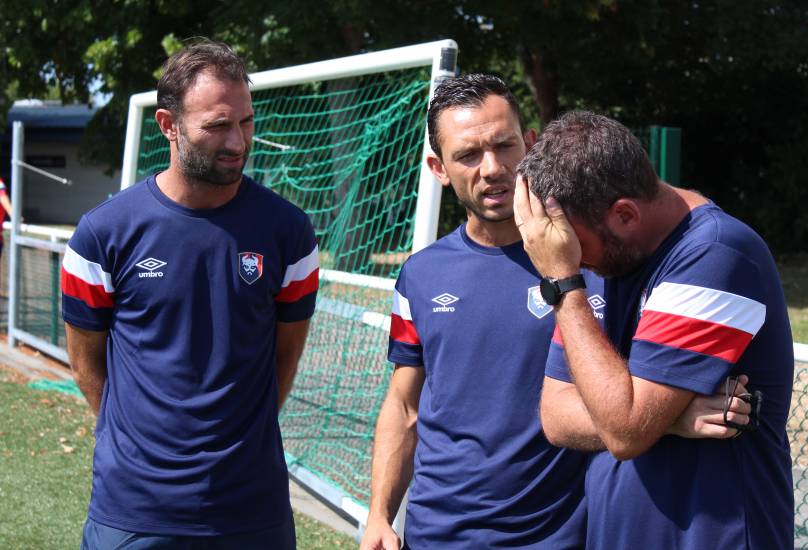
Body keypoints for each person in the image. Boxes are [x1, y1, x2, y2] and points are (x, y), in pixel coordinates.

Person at [359, 75, 753, 550]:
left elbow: (630, 398)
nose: (492, 168)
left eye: (504, 146)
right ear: (438, 168)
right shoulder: (421, 275)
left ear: (529, 144)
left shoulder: (598, 259)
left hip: (561, 536)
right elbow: (404, 407)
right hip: (438, 533)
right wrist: (380, 514)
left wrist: (659, 417)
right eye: (467, 155)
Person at [61, 40, 318, 549]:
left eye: (245, 122)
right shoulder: (103, 234)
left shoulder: (288, 232)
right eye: (217, 126)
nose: (238, 141)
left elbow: (284, 356)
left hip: (251, 506)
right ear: (168, 125)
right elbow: (87, 363)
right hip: (135, 507)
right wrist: (136, 439)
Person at [514, 110, 794, 549]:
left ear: (624, 215)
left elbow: (624, 431)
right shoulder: (605, 250)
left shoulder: (716, 254)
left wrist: (565, 286)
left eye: (576, 248)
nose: (573, 261)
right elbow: (556, 416)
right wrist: (668, 419)